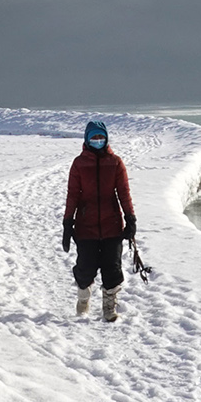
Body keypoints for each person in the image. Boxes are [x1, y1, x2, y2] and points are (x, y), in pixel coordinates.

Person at [62, 120, 137, 321]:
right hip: (86, 227)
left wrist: (130, 218)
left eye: (100, 137)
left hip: (112, 224)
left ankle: (109, 306)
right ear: (87, 139)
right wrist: (68, 223)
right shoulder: (79, 164)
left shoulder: (115, 162)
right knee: (85, 268)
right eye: (94, 137)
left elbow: (124, 193)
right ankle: (84, 297)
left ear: (106, 139)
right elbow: (72, 195)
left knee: (112, 267)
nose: (98, 140)